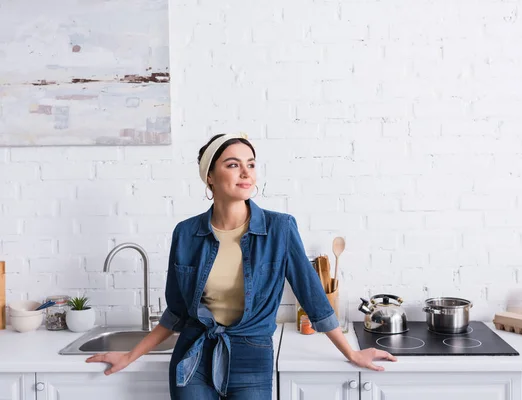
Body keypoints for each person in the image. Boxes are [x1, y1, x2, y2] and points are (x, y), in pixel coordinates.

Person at [85, 133, 397, 399]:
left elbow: (312, 298)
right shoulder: (186, 233)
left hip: (252, 354)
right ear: (210, 176)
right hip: (193, 354)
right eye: (233, 165)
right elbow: (177, 313)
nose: (245, 173)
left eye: (250, 164)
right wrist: (129, 356)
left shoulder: (280, 228)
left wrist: (351, 353)